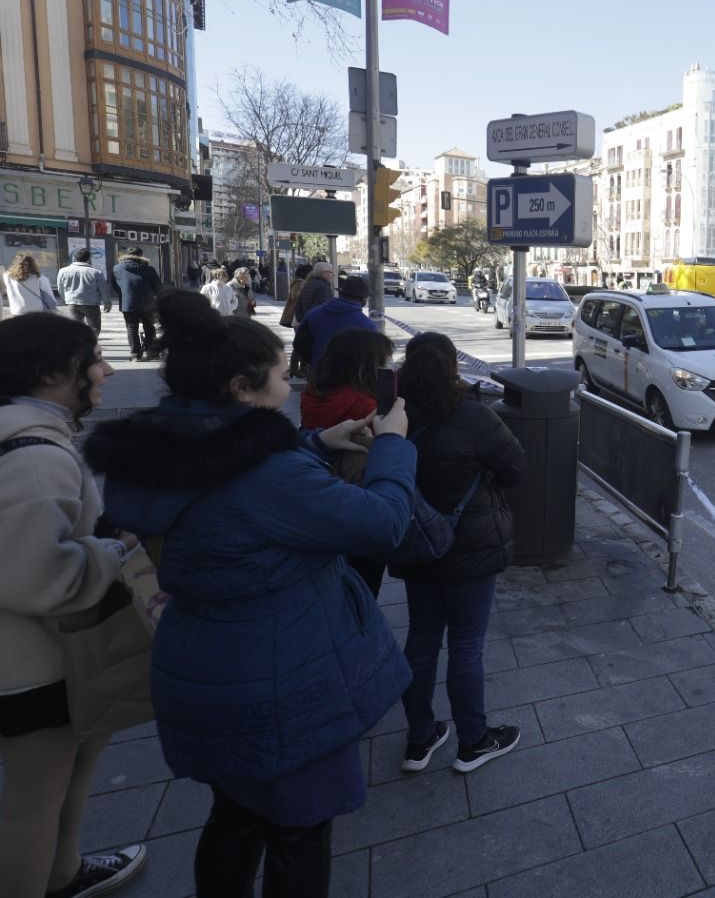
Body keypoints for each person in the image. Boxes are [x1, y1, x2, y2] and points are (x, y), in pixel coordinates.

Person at [84, 291, 416, 898]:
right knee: (299, 830)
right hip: (282, 681)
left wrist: (317, 443)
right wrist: (392, 443)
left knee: (234, 816)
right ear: (241, 387)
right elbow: (383, 523)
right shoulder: (269, 475)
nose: (290, 388)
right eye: (283, 376)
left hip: (200, 668)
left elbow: (222, 490)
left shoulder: (159, 453)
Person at [0, 313, 147, 897]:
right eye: (90, 357)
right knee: (34, 800)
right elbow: (41, 576)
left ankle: (64, 873)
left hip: (50, 662)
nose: (104, 368)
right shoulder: (35, 458)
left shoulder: (38, 440)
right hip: (29, 672)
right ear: (49, 372)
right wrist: (113, 551)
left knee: (69, 776)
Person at [392, 333, 525, 775]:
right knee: (466, 645)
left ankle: (419, 738)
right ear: (453, 368)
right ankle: (473, 742)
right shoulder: (475, 416)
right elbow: (515, 466)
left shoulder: (395, 415)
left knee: (422, 639)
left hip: (416, 544)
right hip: (470, 547)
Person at [300, 328, 396, 596]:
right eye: (382, 362)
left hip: (322, 500)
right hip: (359, 504)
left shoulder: (314, 394)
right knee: (362, 593)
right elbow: (390, 454)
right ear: (366, 365)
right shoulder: (365, 408)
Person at [294, 276, 377, 371]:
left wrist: (316, 361)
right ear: (363, 299)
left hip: (318, 375)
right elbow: (372, 358)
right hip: (351, 380)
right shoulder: (367, 325)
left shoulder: (313, 315)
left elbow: (299, 344)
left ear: (341, 294)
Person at [111, 248, 161, 362]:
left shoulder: (117, 268)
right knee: (149, 326)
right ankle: (150, 351)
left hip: (128, 302)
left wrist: (124, 293)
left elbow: (114, 286)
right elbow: (158, 286)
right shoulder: (149, 269)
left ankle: (135, 354)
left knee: (131, 327)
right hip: (147, 303)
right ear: (141, 255)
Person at [55, 250, 110, 333]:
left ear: (75, 258)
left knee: (76, 328)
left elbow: (60, 287)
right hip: (91, 303)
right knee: (94, 327)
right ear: (88, 259)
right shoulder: (96, 272)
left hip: (72, 302)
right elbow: (103, 289)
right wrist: (107, 303)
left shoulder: (62, 271)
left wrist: (64, 300)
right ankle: (91, 344)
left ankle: (79, 344)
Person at [295, 261, 334, 326]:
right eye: (330, 272)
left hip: (307, 322)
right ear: (324, 273)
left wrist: (303, 321)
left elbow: (298, 308)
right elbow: (320, 307)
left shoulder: (307, 284)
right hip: (318, 324)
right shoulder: (323, 286)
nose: (332, 275)